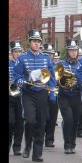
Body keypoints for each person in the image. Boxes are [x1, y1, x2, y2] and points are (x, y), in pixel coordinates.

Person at [14, 29, 56, 162]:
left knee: (41, 123)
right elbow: (17, 76)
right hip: (28, 93)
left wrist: (50, 87)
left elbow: (52, 77)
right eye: (34, 41)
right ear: (30, 42)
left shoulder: (46, 59)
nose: (37, 44)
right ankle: (28, 145)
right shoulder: (22, 58)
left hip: (42, 93)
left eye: (38, 41)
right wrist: (20, 81)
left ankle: (37, 154)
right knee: (30, 120)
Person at [57, 39, 82, 154]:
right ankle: (67, 144)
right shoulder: (61, 64)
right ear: (67, 51)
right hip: (64, 96)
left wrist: (78, 81)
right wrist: (62, 83)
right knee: (68, 119)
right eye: (71, 50)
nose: (74, 52)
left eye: (75, 50)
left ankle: (72, 143)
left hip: (76, 96)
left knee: (75, 121)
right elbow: (56, 78)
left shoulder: (81, 65)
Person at [9, 40, 24, 156]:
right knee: (11, 122)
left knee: (20, 122)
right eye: (15, 51)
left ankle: (17, 147)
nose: (18, 54)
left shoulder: (24, 64)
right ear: (12, 53)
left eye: (19, 51)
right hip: (9, 97)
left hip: (21, 96)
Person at [42, 43, 59, 148]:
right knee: (43, 116)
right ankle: (39, 135)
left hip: (54, 94)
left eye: (51, 54)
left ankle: (49, 139)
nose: (49, 56)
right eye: (47, 54)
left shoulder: (58, 66)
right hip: (42, 93)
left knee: (52, 118)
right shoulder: (41, 65)